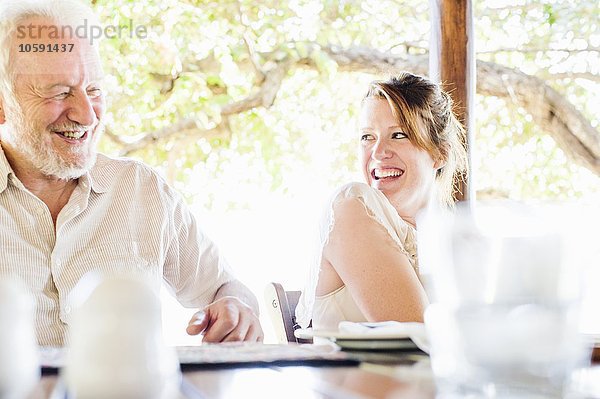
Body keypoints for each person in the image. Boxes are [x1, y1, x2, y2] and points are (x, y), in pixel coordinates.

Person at [0, 0, 263, 346]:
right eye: (60, 93)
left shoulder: (143, 190)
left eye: (93, 90)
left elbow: (224, 287)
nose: (87, 115)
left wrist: (238, 310)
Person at [296, 72, 468, 330]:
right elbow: (417, 336)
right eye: (367, 137)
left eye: (398, 135)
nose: (378, 152)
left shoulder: (451, 235)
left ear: (440, 152)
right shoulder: (352, 206)